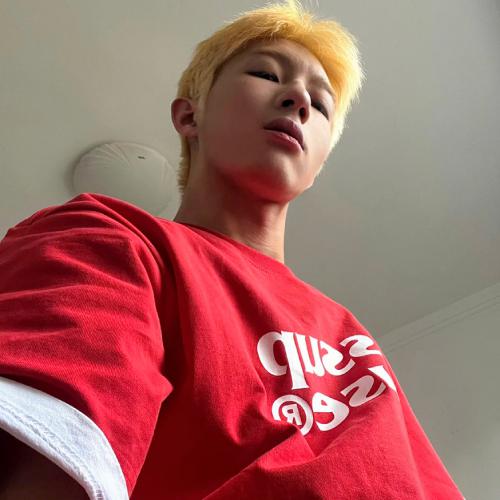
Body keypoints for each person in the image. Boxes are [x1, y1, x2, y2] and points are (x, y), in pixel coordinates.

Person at [0, 0, 465, 498]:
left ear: (318, 164)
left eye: (320, 104)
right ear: (189, 116)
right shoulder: (113, 238)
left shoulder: (354, 341)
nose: (299, 100)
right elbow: (56, 450)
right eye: (266, 74)